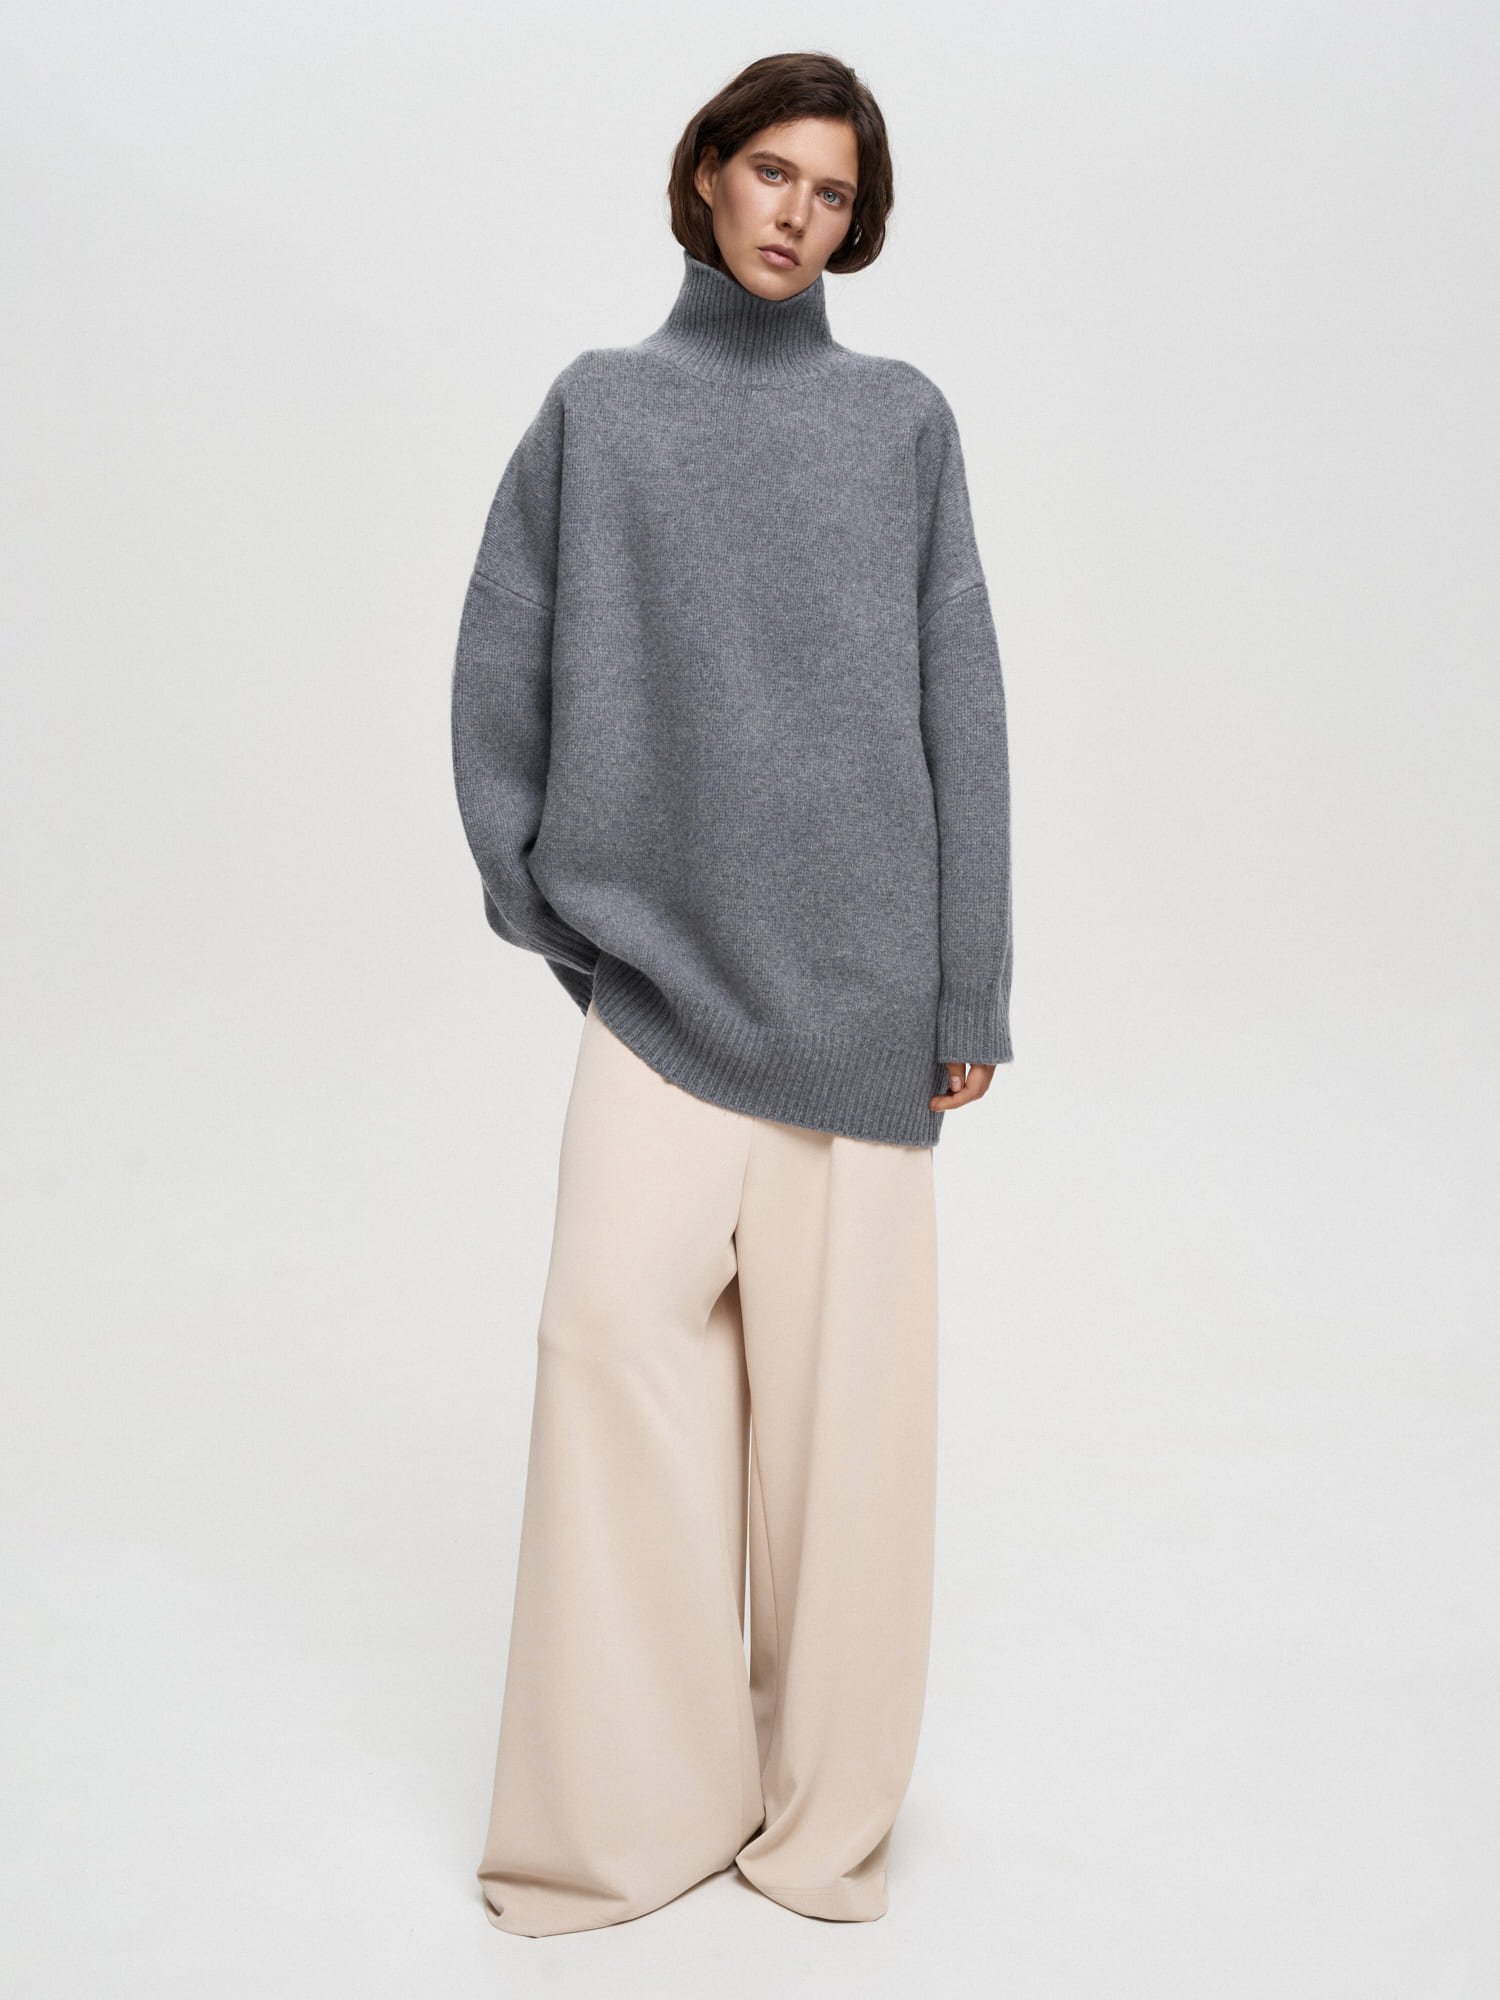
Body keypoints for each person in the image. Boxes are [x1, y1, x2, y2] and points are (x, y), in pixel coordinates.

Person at [449, 50, 1013, 1937]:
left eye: (833, 193)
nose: (797, 214)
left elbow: (963, 714)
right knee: (606, 1352)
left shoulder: (900, 423)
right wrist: (552, 907)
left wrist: (969, 985)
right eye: (772, 172)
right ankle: (632, 1816)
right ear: (704, 176)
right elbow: (498, 668)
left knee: (844, 1448)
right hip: (664, 996)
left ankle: (820, 1831)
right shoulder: (599, 412)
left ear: (859, 223)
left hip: (864, 1009)